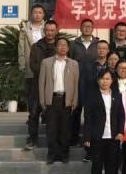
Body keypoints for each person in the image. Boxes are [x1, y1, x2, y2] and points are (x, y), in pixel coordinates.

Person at [83, 69, 125, 174]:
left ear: (112, 81)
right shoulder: (92, 97)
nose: (104, 81)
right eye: (102, 79)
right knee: (96, 168)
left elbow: (121, 115)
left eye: (107, 79)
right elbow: (88, 118)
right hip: (97, 138)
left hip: (112, 138)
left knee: (111, 169)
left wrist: (120, 132)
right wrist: (87, 137)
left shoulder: (117, 96)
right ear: (98, 80)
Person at [39, 36, 80, 165]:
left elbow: (76, 84)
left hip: (66, 99)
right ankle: (52, 154)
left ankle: (64, 154)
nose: (62, 47)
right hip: (52, 99)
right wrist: (42, 100)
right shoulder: (46, 62)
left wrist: (74, 100)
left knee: (65, 129)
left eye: (65, 45)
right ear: (55, 47)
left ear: (68, 48)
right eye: (60, 45)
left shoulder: (74, 64)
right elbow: (41, 83)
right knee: (52, 128)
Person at [23, 19, 57, 150]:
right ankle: (32, 139)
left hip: (55, 85)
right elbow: (33, 65)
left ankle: (52, 142)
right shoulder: (36, 46)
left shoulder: (60, 45)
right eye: (47, 30)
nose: (49, 32)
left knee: (52, 115)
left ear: (56, 31)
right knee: (33, 112)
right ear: (44, 31)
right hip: (37, 84)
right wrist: (45, 73)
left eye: (52, 30)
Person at [80, 40, 113, 162]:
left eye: (104, 48)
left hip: (107, 98)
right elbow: (83, 82)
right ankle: (89, 151)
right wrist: (83, 98)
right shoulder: (89, 65)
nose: (101, 50)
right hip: (91, 98)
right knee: (90, 122)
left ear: (108, 50)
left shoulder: (111, 66)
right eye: (99, 48)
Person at [18, 4, 45, 147]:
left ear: (43, 15)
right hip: (31, 67)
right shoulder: (25, 29)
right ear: (31, 14)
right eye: (35, 12)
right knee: (33, 100)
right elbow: (21, 49)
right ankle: (32, 133)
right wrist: (22, 64)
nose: (37, 15)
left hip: (46, 69)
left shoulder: (48, 28)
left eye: (40, 12)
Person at [71, 19, 99, 148]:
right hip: (77, 82)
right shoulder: (73, 44)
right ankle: (74, 138)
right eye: (84, 26)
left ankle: (89, 139)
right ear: (80, 28)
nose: (87, 28)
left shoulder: (98, 44)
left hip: (94, 83)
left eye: (89, 26)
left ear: (93, 29)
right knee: (76, 111)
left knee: (91, 112)